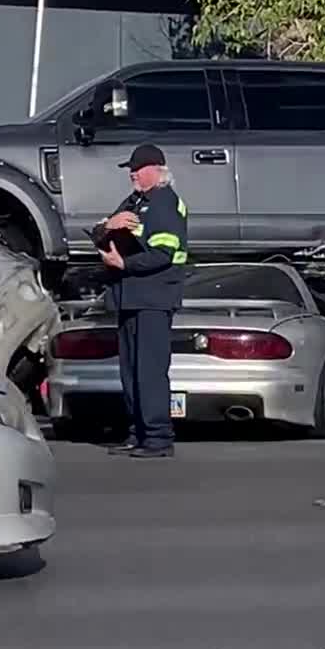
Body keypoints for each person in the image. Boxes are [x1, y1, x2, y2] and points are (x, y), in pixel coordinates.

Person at [94, 143, 189, 459]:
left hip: (153, 298)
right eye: (130, 169)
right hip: (129, 297)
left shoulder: (164, 203)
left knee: (149, 371)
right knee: (131, 372)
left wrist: (126, 265)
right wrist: (109, 226)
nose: (132, 173)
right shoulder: (135, 201)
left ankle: (159, 439)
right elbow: (100, 232)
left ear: (156, 170)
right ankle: (138, 434)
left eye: (137, 168)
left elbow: (164, 253)